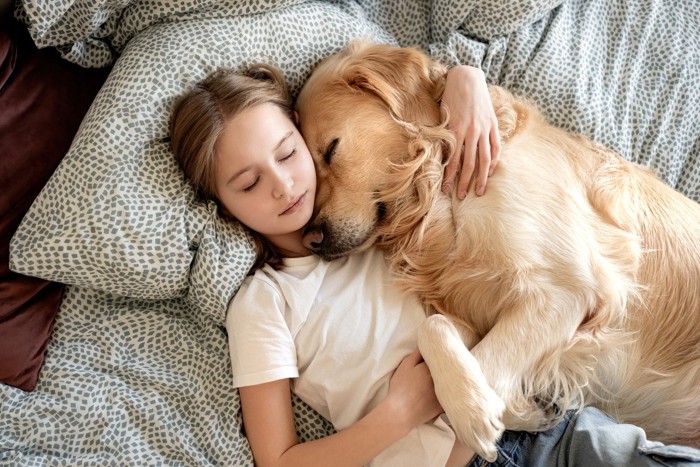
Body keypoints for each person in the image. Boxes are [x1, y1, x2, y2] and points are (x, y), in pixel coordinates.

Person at [169, 62, 700, 467]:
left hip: (547, 431)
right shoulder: (265, 300)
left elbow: (563, 294)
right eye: (247, 183)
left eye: (293, 154)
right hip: (515, 434)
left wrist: (461, 79)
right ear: (221, 207)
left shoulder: (386, 231)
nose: (285, 186)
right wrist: (402, 412)